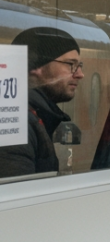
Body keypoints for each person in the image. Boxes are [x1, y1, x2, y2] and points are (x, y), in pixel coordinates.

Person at [0, 27, 83, 178]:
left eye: (79, 66)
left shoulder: (31, 115)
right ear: (35, 66)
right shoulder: (14, 123)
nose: (80, 74)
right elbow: (19, 191)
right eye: (70, 64)